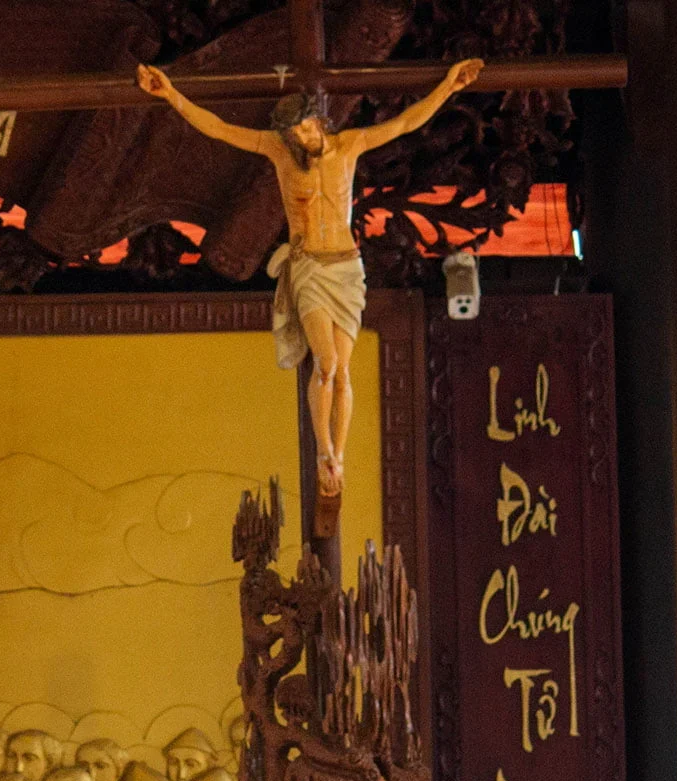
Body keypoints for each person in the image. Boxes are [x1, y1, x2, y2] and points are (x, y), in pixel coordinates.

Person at [136, 57, 482, 527]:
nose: (299, 139)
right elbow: (218, 129)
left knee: (343, 374)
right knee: (326, 363)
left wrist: (448, 86)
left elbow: (405, 122)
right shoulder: (280, 155)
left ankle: (337, 460)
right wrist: (171, 94)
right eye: (292, 135)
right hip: (309, 269)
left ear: (318, 121)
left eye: (303, 129)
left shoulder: (349, 145)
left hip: (346, 269)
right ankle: (324, 451)